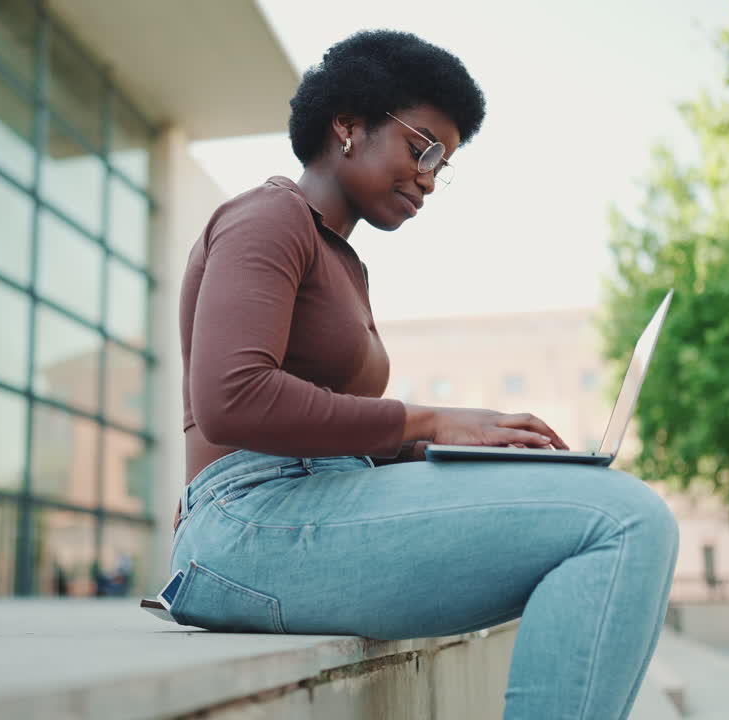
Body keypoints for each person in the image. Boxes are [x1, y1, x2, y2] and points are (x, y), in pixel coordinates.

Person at [166, 30, 679, 720]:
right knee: (624, 520)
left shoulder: (344, 261)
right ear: (348, 126)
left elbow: (329, 425)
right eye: (422, 147)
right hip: (245, 523)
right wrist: (427, 420)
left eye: (444, 163)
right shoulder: (266, 218)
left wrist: (464, 446)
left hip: (311, 505)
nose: (431, 178)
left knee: (609, 510)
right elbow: (232, 399)